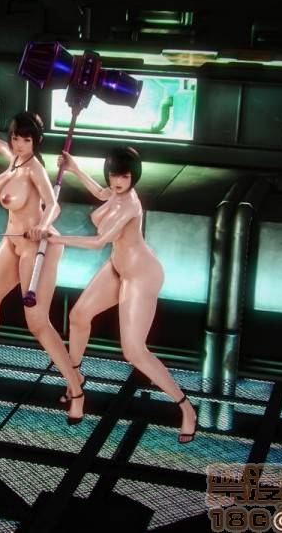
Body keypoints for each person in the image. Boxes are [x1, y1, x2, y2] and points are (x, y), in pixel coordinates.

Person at [51, 147, 198, 443]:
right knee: (78, 316)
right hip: (118, 267)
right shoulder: (116, 193)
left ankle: (186, 408)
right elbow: (101, 192)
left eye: (124, 177)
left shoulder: (130, 204)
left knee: (134, 351)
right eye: (114, 175)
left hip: (141, 275)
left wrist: (53, 237)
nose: (117, 182)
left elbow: (98, 242)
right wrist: (74, 167)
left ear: (134, 177)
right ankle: (76, 380)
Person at [0, 105, 84, 424]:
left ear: (35, 142)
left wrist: (42, 224)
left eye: (25, 140)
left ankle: (76, 389)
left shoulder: (34, 169)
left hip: (36, 245)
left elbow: (54, 205)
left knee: (37, 322)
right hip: (12, 239)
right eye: (15, 138)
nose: (18, 144)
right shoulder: (12, 157)